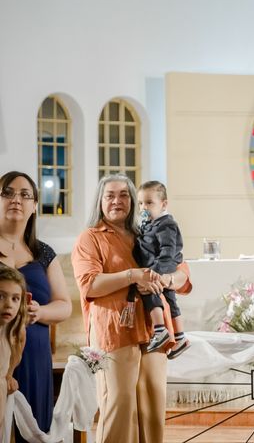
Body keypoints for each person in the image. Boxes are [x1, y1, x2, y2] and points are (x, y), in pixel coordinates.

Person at [72, 174, 191, 443]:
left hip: (154, 331)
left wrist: (168, 279)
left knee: (152, 405)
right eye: (110, 195)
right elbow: (89, 285)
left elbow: (182, 271)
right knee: (120, 404)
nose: (117, 201)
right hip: (115, 332)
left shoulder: (147, 231)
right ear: (99, 201)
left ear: (133, 201)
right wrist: (133, 275)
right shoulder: (90, 238)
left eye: (124, 195)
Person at [0, 171, 71, 442]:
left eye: (24, 195)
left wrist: (40, 312)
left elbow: (64, 306)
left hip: (35, 356)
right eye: (8, 192)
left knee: (34, 427)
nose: (16, 199)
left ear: (34, 206)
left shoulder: (44, 253)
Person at [133, 181, 190, 358]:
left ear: (163, 204)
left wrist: (155, 273)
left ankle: (160, 331)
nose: (144, 207)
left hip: (161, 267)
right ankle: (180, 339)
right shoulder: (150, 224)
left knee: (150, 293)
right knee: (171, 301)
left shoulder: (166, 225)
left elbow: (168, 251)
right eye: (141, 203)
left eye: (149, 203)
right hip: (159, 268)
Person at [0, 265, 27, 438]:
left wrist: (9, 375)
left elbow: (14, 357)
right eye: (0, 296)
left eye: (15, 298)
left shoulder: (16, 332)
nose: (9, 304)